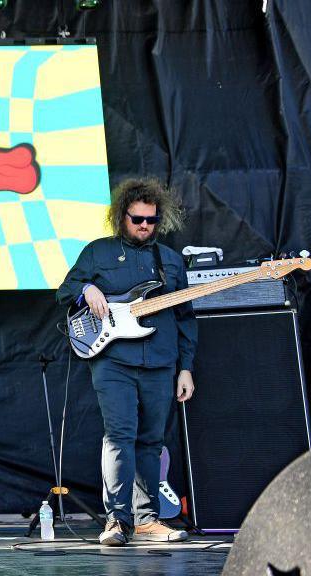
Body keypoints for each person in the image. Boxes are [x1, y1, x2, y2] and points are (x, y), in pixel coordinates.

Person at [56, 177, 197, 546]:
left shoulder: (170, 260)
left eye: (150, 220)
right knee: (119, 436)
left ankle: (148, 519)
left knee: (151, 440)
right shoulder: (98, 253)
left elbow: (185, 317)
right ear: (122, 217)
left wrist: (186, 368)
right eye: (137, 219)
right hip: (113, 359)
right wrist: (87, 289)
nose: (144, 226)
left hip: (161, 361)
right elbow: (65, 289)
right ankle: (117, 520)